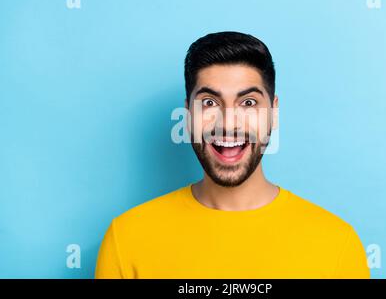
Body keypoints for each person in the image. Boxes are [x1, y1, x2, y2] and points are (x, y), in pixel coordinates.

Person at [95, 31, 370, 279]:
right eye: (210, 103)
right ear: (188, 113)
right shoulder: (127, 239)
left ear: (273, 113)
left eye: (248, 102)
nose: (228, 123)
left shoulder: (336, 244)